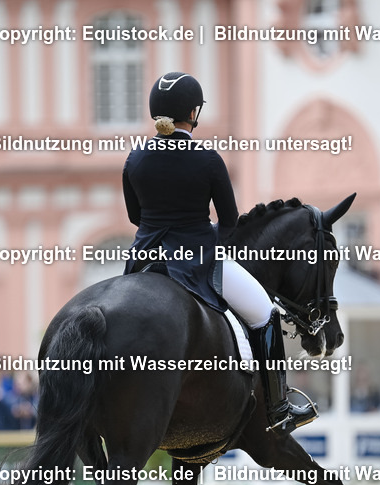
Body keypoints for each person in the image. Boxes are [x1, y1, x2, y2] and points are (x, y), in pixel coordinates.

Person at [122, 71, 315, 435]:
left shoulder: (136, 159)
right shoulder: (207, 158)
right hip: (197, 260)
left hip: (146, 260)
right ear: (193, 112)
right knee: (264, 313)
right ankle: (279, 407)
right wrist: (207, 236)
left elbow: (136, 216)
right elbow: (229, 221)